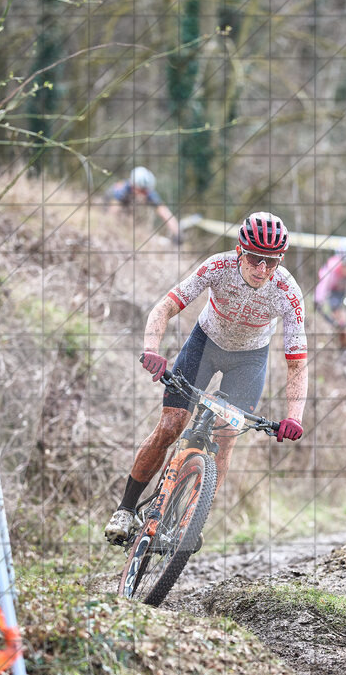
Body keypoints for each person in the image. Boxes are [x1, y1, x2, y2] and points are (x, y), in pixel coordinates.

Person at [105, 212, 308, 545]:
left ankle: (192, 519)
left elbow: (297, 363)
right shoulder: (218, 267)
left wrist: (294, 416)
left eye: (271, 262)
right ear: (240, 251)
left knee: (225, 437)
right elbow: (165, 307)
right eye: (255, 258)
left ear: (279, 261)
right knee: (170, 426)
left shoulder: (287, 291)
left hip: (249, 360)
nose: (262, 269)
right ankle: (126, 509)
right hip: (205, 344)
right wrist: (152, 349)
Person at [108, 166, 181, 243]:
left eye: (146, 191)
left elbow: (164, 212)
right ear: (133, 186)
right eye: (142, 190)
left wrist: (177, 233)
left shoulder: (148, 194)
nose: (144, 194)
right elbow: (112, 213)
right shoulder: (122, 190)